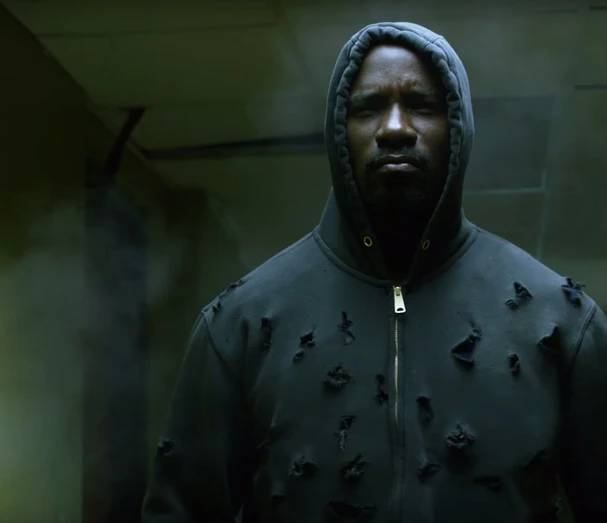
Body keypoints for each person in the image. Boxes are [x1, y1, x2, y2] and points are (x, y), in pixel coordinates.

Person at [141, 21, 607, 523]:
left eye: (422, 105)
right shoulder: (243, 322)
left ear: (458, 127)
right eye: (368, 108)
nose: (395, 128)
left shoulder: (557, 320)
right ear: (339, 133)